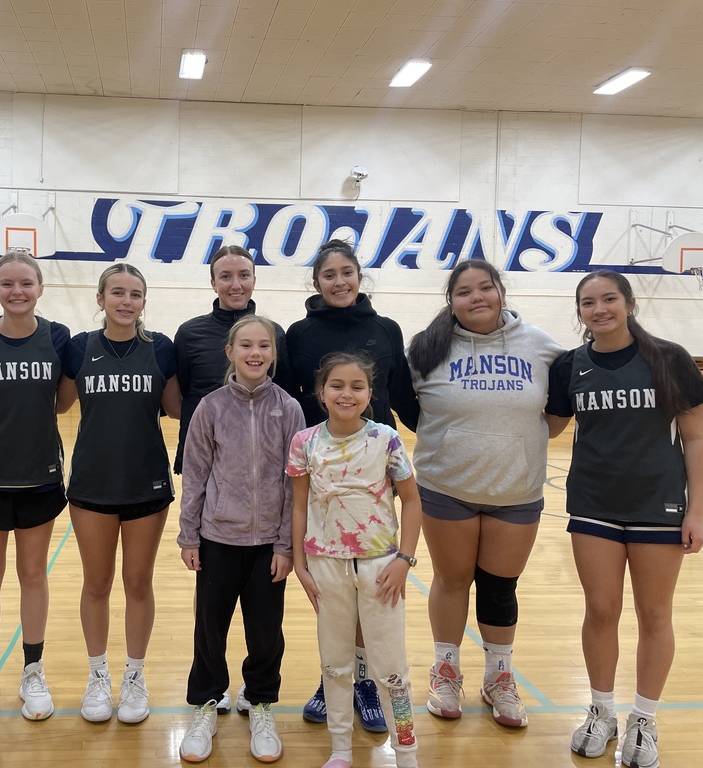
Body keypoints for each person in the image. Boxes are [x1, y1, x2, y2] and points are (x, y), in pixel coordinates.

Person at [545, 270, 703, 767]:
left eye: (609, 299)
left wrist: (698, 507)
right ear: (580, 312)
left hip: (658, 506)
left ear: (629, 302)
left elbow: (695, 435)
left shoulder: (669, 358)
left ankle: (644, 719)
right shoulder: (570, 365)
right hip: (593, 504)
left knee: (655, 615)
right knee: (601, 610)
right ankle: (601, 711)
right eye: (588, 303)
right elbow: (547, 427)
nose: (600, 309)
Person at [406, 260, 563, 728]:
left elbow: (557, 416)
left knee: (499, 588)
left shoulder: (541, 347)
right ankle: (446, 671)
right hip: (446, 487)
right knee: (451, 581)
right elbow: (407, 406)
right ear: (450, 300)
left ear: (501, 292)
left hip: (515, 490)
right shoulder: (425, 349)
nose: (476, 297)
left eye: (485, 288)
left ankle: (499, 677)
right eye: (463, 292)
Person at [285, 239, 420, 729]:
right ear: (316, 282)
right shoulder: (298, 333)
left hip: (373, 471)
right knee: (333, 590)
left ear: (359, 277)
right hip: (322, 473)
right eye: (329, 275)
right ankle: (333, 678)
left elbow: (403, 392)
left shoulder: (386, 329)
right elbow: (285, 395)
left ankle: (364, 681)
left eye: (347, 272)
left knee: (369, 586)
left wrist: (444, 432)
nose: (339, 282)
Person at [0, 249, 75, 725]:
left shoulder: (58, 338)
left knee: (33, 575)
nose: (17, 291)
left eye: (26, 283)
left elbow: (63, 405)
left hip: (39, 476)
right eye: (8, 283)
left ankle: (33, 670)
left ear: (40, 289)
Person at [177, 316, 305, 763]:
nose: (255, 353)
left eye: (264, 346)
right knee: (210, 627)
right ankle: (208, 702)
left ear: (273, 353)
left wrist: (287, 545)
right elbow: (194, 475)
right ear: (229, 352)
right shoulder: (210, 407)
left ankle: (261, 701)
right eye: (245, 345)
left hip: (269, 544)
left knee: (266, 632)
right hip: (217, 538)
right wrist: (188, 535)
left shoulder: (289, 408)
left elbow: (295, 484)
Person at [58, 264, 182, 724]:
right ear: (101, 298)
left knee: (137, 582)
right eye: (117, 293)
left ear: (144, 301)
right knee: (96, 582)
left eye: (135, 294)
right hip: (91, 482)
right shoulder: (78, 348)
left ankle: (134, 675)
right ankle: (97, 675)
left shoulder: (161, 349)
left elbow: (176, 409)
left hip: (146, 480)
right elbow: (58, 404)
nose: (126, 301)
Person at [288, 352, 421, 768]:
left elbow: (413, 501)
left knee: (391, 670)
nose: (347, 394)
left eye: (357, 386)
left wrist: (405, 559)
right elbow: (298, 506)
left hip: (382, 568)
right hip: (326, 566)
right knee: (335, 662)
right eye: (337, 386)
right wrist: (299, 562)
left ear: (370, 393)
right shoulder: (304, 442)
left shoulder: (387, 439)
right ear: (321, 392)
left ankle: (406, 751)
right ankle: (341, 749)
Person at [173, 244, 293, 475]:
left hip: (261, 456)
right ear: (213, 283)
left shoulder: (275, 333)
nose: (236, 285)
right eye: (226, 276)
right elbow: (185, 393)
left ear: (254, 280)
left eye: (244, 275)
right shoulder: (189, 334)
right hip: (204, 455)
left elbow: (283, 395)